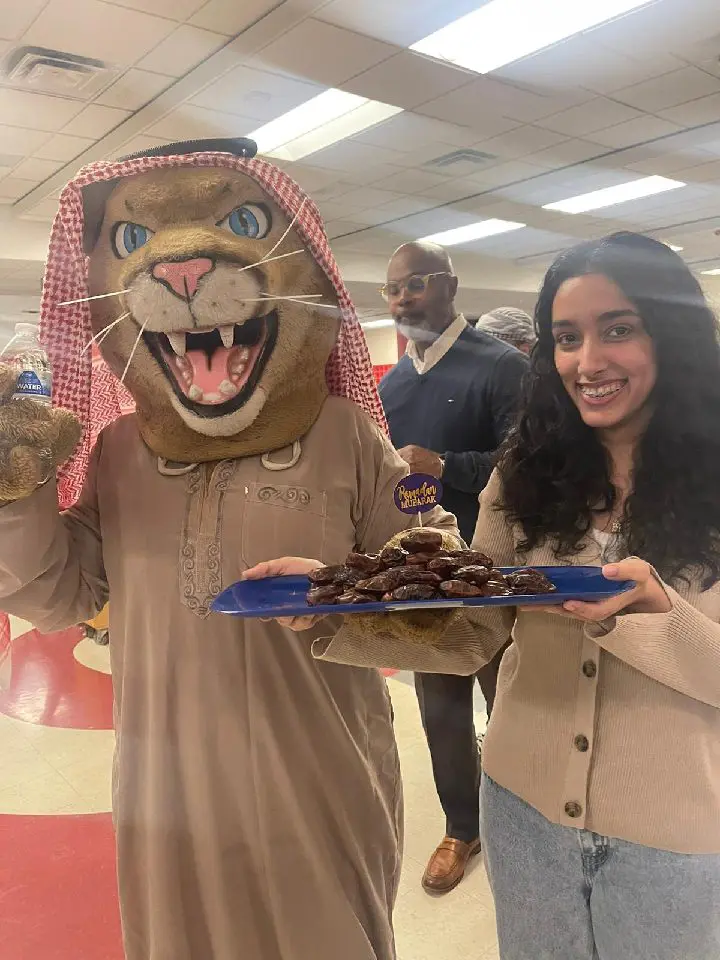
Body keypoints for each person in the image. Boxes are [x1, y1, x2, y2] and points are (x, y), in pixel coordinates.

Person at [0, 139, 461, 960]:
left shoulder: (346, 437)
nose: (181, 273)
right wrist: (15, 491)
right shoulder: (117, 453)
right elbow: (58, 594)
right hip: (161, 795)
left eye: (243, 221)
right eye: (136, 244)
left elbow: (446, 609)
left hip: (317, 785)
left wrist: (340, 596)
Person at [305, 231, 720, 959]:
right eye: (566, 337)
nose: (587, 362)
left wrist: (657, 614)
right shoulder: (523, 475)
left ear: (673, 334)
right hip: (522, 814)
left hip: (675, 835)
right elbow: (473, 631)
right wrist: (331, 603)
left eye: (617, 329)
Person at [378, 241, 528, 893]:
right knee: (440, 710)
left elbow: (532, 468)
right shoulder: (389, 385)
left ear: (451, 286)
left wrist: (448, 468)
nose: (403, 298)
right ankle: (460, 829)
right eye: (393, 290)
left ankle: (522, 821)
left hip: (495, 572)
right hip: (425, 579)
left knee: (511, 706)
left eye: (416, 284)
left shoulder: (501, 369)